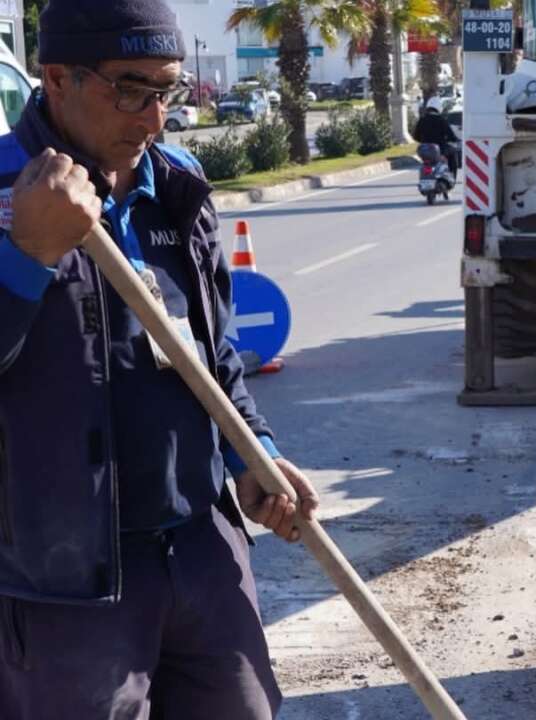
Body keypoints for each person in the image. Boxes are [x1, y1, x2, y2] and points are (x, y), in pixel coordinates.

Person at [0, 1, 319, 718]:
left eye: (165, 90)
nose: (151, 118)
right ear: (55, 78)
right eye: (128, 89)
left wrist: (251, 457)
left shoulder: (176, 185)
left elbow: (213, 355)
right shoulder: (5, 193)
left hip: (201, 553)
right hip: (63, 585)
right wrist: (27, 255)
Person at [413, 96, 459, 174]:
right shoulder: (441, 120)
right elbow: (450, 135)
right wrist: (455, 139)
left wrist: (424, 141)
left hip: (425, 150)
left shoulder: (422, 119)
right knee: (453, 152)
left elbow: (415, 136)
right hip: (440, 149)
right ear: (439, 107)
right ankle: (451, 175)